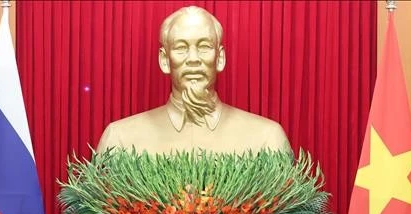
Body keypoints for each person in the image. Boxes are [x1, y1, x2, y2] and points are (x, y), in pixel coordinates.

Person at [96, 6, 290, 154]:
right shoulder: (120, 140)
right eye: (181, 47)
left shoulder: (267, 139)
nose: (194, 58)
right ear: (164, 60)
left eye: (204, 46)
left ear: (220, 58)